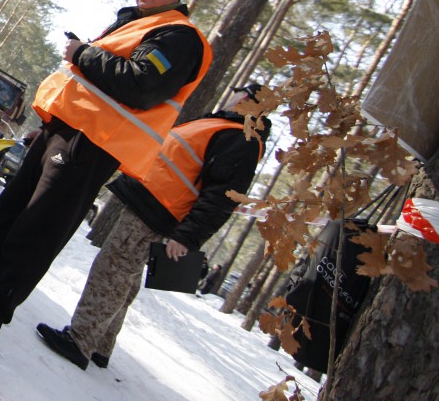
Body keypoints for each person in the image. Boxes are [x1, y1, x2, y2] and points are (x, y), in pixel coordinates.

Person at [0, 0, 211, 353]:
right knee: (6, 216)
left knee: (34, 231)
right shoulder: (136, 23)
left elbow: (141, 85)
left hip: (92, 147)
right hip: (65, 133)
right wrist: (50, 125)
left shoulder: (179, 36)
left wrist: (83, 53)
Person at [34, 84, 271, 370]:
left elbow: (221, 198)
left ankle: (79, 341)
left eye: (237, 93)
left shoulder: (242, 139)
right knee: (124, 277)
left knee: (112, 271)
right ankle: (100, 345)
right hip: (151, 206)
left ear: (245, 98)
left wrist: (188, 237)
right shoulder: (225, 127)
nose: (232, 96)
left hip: (156, 213)